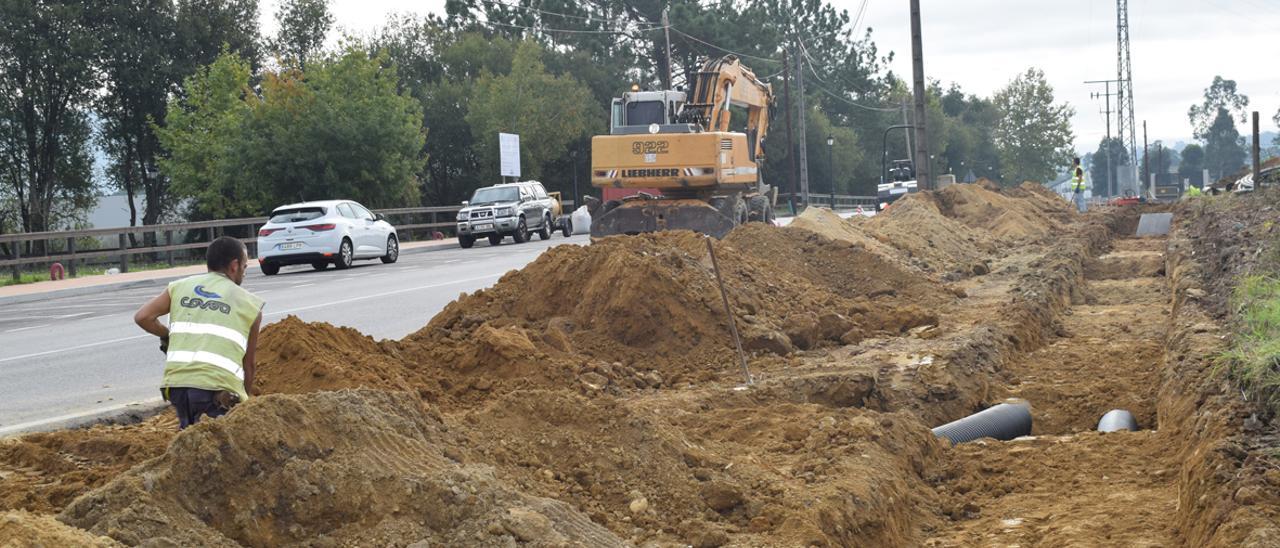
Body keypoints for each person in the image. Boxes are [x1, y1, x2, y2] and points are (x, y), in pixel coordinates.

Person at [134, 236, 264, 429]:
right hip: (216, 390)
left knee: (191, 437)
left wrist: (166, 335)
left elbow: (142, 317)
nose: (244, 273)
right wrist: (244, 402)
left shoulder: (179, 287)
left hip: (177, 386)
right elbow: (249, 364)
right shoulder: (250, 305)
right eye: (245, 267)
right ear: (234, 265)